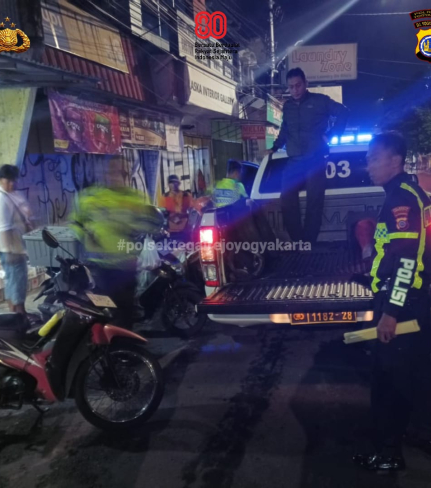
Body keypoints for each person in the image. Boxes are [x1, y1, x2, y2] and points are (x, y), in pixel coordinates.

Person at [353, 131, 431, 472]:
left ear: (395, 160)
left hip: (403, 304)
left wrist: (391, 313)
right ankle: (411, 435)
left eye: (373, 157)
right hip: (410, 300)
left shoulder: (401, 199)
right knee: (410, 377)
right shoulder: (406, 193)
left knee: (389, 382)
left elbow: (406, 261)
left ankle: (388, 454)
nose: (368, 165)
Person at [270, 68, 349, 244]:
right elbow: (285, 130)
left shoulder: (320, 101)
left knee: (314, 201)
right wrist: (274, 147)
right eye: (291, 87)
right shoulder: (288, 106)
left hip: (315, 160)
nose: (295, 90)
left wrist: (331, 134)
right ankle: (298, 240)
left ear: (306, 83)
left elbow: (344, 112)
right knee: (286, 198)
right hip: (295, 161)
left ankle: (309, 242)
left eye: (298, 85)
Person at [69, 185, 162, 329]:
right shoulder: (92, 197)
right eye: (111, 173)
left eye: (118, 173)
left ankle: (122, 340)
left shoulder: (133, 197)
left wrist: (149, 228)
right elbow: (76, 223)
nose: (114, 176)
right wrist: (87, 237)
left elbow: (145, 220)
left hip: (126, 265)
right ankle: (105, 339)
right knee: (105, 309)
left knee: (125, 310)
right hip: (101, 264)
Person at [0, 164, 32, 314]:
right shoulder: (2, 199)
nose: (12, 184)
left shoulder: (14, 194)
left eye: (14, 180)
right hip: (12, 250)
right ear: (1, 180)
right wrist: (9, 252)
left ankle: (19, 315)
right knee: (17, 285)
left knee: (16, 283)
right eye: (8, 181)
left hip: (18, 247)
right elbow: (3, 229)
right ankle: (19, 318)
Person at [159, 174, 193, 242]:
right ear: (168, 184)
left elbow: (191, 210)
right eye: (171, 182)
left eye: (175, 182)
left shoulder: (186, 195)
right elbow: (163, 212)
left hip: (185, 229)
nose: (173, 184)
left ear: (179, 183)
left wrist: (181, 216)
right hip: (170, 231)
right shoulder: (165, 196)